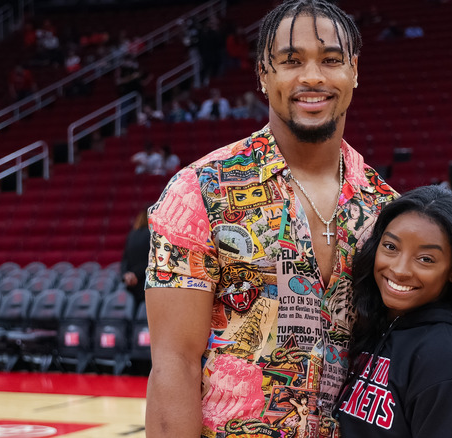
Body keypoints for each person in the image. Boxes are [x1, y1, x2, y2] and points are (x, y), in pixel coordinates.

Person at [143, 2, 398, 437]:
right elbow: (175, 364)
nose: (313, 77)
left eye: (331, 60)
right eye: (291, 61)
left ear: (354, 71)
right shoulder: (200, 192)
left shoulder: (387, 209)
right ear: (263, 74)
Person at [335, 185, 452, 438]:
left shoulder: (446, 357)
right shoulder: (378, 324)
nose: (400, 269)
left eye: (426, 259)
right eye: (391, 247)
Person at [121, 208, 151, 306]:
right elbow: (151, 260)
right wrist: (136, 274)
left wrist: (127, 275)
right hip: (145, 282)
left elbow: (125, 260)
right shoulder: (151, 235)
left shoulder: (132, 234)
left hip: (131, 284)